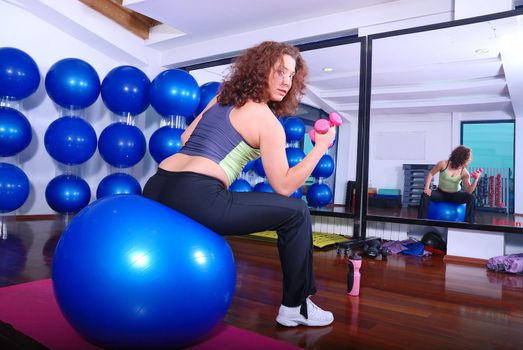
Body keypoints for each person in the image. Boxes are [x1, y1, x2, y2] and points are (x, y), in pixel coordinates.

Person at [142, 41, 336, 327]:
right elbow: (283, 186)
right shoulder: (267, 122)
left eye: (291, 75)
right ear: (260, 70)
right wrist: (320, 148)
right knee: (297, 212)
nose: (286, 81)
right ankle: (296, 306)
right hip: (197, 195)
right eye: (279, 71)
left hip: (157, 186)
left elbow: (185, 141)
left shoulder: (221, 97)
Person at [417, 145, 482, 223]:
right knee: (425, 195)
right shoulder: (443, 164)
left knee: (471, 197)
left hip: (455, 195)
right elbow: (431, 173)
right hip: (440, 193)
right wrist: (427, 188)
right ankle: (420, 221)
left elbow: (469, 191)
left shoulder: (464, 172)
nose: (468, 162)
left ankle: (468, 223)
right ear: (460, 159)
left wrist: (476, 179)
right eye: (467, 160)